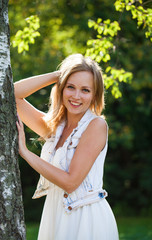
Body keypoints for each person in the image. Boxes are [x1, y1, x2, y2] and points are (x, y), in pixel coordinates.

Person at [15, 54, 119, 240]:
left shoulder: (95, 126)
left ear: (95, 95)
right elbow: (13, 95)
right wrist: (58, 75)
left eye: (85, 90)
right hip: (55, 215)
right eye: (70, 87)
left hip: (85, 221)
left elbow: (71, 182)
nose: (76, 96)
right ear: (61, 89)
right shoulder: (55, 127)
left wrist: (26, 153)